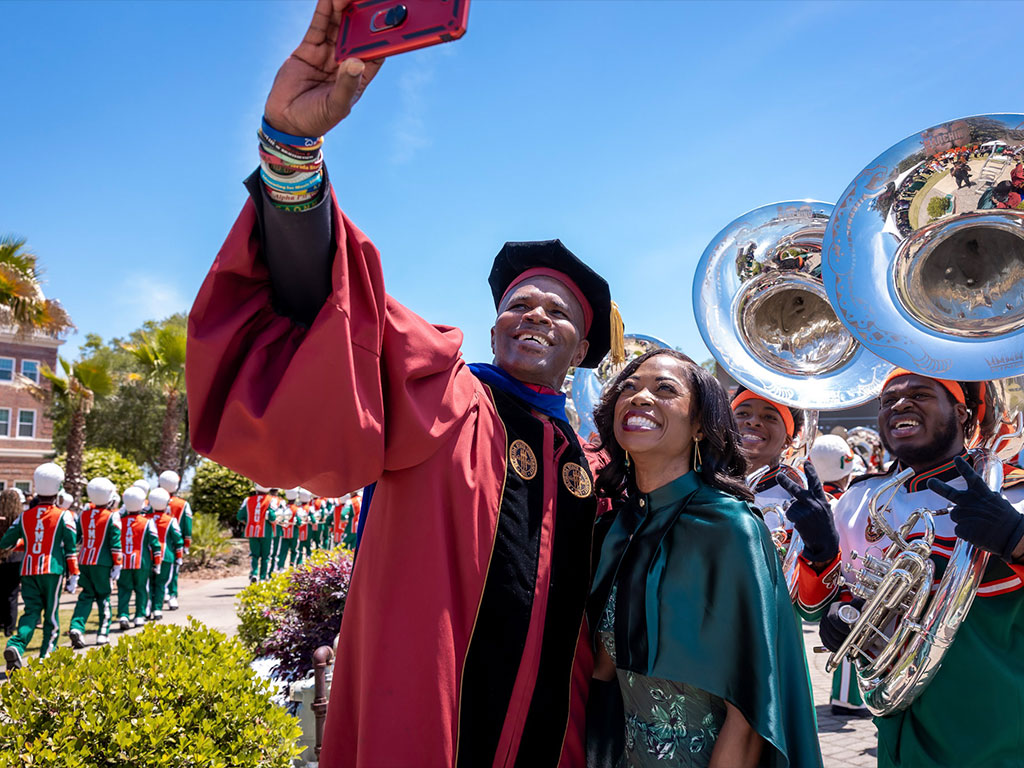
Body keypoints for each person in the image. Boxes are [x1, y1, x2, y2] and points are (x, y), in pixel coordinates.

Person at [186, 1, 623, 761]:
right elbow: (334, 302)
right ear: (492, 330)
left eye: (556, 312)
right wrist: (292, 149)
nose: (535, 317)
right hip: (426, 714)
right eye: (520, 305)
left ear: (582, 344)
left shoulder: (594, 462)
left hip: (560, 730)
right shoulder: (445, 396)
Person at [587, 349, 822, 767]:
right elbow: (603, 673)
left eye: (664, 389)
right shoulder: (617, 528)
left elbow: (751, 709)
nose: (640, 397)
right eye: (629, 387)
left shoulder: (732, 528)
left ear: (699, 426)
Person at [790, 369, 1024, 767]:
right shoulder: (858, 501)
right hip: (898, 727)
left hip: (999, 729)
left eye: (919, 394)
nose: (899, 404)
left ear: (962, 412)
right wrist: (835, 595)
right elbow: (815, 606)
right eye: (887, 400)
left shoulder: (1013, 493)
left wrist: (1016, 540)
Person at [805, 434, 867, 717]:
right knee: (850, 640)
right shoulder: (846, 502)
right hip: (847, 581)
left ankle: (846, 697)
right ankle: (845, 699)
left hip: (829, 580)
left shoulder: (813, 502)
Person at [0, 463, 79, 670]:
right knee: (51, 615)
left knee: (31, 612)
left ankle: (16, 645)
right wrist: (74, 574)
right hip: (53, 570)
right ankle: (47, 656)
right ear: (58, 488)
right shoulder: (65, 516)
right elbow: (71, 549)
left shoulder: (23, 517)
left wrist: (25, 542)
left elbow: (6, 543)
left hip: (28, 569)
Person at [731, 385, 806, 537]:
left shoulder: (801, 500)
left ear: (787, 440)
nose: (753, 421)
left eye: (769, 417)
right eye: (742, 413)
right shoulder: (701, 484)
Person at [69, 477, 123, 648]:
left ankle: (76, 627)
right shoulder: (112, 517)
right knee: (104, 597)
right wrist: (118, 564)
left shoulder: (83, 515)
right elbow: (115, 544)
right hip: (103, 562)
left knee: (85, 595)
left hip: (84, 559)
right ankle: (102, 632)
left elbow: (76, 538)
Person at [116, 487, 162, 630]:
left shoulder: (119, 521)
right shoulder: (147, 522)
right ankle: (139, 616)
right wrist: (157, 563)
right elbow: (155, 544)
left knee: (124, 589)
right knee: (141, 589)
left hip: (123, 561)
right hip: (141, 561)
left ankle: (123, 615)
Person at [146, 488, 185, 621]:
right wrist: (179, 557)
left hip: (149, 556)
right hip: (166, 556)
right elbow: (178, 540)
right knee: (161, 584)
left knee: (149, 583)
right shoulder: (171, 520)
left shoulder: (145, 519)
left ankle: (148, 608)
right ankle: (157, 610)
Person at [158, 470, 193, 610]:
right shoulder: (183, 504)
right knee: (174, 571)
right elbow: (187, 525)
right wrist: (186, 544)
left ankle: (159, 598)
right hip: (173, 545)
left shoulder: (151, 502)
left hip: (155, 544)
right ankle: (172, 596)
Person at [238, 483, 277, 582]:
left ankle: (254, 573)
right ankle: (263, 577)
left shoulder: (248, 500)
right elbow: (272, 517)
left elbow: (239, 516)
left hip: (252, 531)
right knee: (266, 556)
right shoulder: (271, 500)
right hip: (266, 532)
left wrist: (248, 521)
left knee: (254, 555)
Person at [0, 489, 25, 638]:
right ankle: (10, 627)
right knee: (12, 594)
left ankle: (2, 622)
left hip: (2, 556)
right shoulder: (20, 518)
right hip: (17, 557)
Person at [275, 488, 299, 570]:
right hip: (294, 534)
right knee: (294, 551)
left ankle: (280, 566)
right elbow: (299, 522)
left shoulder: (283, 508)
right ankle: (292, 565)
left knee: (283, 551)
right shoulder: (297, 509)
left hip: (284, 534)